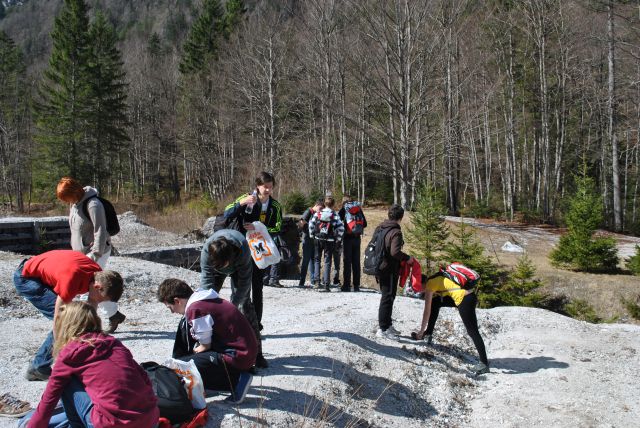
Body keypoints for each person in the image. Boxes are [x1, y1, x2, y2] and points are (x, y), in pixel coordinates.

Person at [23, 301, 159, 427]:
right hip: (150, 420)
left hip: (113, 424)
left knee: (67, 383)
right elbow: (144, 377)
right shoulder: (113, 343)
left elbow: (50, 398)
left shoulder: (70, 354)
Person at [13, 250, 124, 381]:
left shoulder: (97, 275)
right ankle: (39, 367)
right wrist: (62, 343)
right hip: (27, 278)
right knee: (67, 320)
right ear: (98, 287)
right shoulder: (72, 278)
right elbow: (59, 316)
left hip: (39, 271)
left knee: (77, 319)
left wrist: (93, 333)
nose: (100, 302)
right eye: (102, 299)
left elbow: (92, 302)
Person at [158, 279, 257, 404]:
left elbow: (205, 344)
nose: (172, 312)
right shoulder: (203, 299)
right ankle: (216, 382)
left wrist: (195, 353)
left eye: (170, 307)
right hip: (244, 351)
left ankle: (237, 381)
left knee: (185, 365)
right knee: (194, 358)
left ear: (177, 301)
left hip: (238, 355)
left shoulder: (195, 308)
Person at [56, 177, 126, 333]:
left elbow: (100, 231)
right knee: (91, 289)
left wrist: (95, 254)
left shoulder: (94, 204)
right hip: (80, 254)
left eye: (66, 198)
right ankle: (113, 315)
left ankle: (87, 328)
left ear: (74, 192)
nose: (65, 201)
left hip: (96, 252)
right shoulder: (74, 204)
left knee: (87, 289)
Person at [200, 229, 268, 368]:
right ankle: (210, 351)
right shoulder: (207, 251)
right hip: (216, 267)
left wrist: (233, 307)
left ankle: (257, 354)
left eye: (222, 265)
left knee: (245, 307)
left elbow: (244, 283)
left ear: (229, 260)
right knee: (205, 306)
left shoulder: (243, 250)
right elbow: (206, 280)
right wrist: (209, 304)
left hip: (239, 269)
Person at [224, 172, 283, 326]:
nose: (268, 190)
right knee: (240, 288)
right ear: (258, 186)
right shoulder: (247, 197)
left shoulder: (275, 206)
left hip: (260, 252)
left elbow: (277, 227)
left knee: (258, 288)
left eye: (271, 187)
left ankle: (256, 323)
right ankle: (237, 323)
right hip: (241, 249)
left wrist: (258, 227)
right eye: (265, 187)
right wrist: (242, 203)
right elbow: (227, 213)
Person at [412, 273, 490, 375]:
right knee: (435, 302)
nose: (418, 290)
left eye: (418, 287)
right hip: (468, 296)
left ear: (422, 284)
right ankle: (428, 334)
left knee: (472, 331)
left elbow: (426, 311)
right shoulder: (434, 279)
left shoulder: (430, 285)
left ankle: (484, 364)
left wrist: (420, 332)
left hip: (465, 299)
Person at [375, 204, 414, 338]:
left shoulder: (381, 227)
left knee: (389, 296)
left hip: (380, 266)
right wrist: (407, 258)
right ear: (401, 217)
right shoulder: (395, 232)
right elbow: (395, 252)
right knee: (387, 297)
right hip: (389, 268)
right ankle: (383, 329)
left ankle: (388, 324)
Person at [308, 196, 344, 292]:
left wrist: (312, 235)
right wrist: (338, 239)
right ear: (333, 204)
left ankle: (316, 282)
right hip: (330, 241)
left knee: (317, 260)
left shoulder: (318, 213)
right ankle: (326, 285)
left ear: (325, 203)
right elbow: (341, 228)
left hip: (318, 239)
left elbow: (311, 224)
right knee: (327, 261)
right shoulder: (335, 215)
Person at [338, 195, 367, 292]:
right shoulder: (358, 208)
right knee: (356, 262)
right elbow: (365, 224)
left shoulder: (344, 209)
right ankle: (356, 286)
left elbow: (337, 221)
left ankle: (346, 285)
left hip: (347, 238)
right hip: (357, 239)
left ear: (344, 202)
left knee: (347, 262)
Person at [297, 199, 324, 287]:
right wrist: (310, 227)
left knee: (313, 260)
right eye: (320, 208)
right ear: (316, 205)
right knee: (306, 260)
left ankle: (313, 280)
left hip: (314, 240)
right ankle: (302, 281)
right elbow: (301, 223)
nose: (320, 210)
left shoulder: (316, 213)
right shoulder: (308, 211)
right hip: (307, 239)